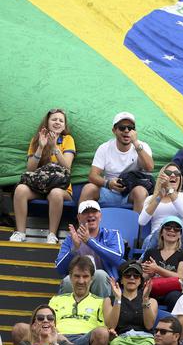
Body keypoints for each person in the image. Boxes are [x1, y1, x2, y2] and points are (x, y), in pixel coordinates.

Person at [13, 256, 109, 345]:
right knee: (19, 329)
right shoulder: (56, 299)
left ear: (91, 279)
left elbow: (104, 328)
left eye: (85, 276)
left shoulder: (101, 301)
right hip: (56, 338)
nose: (81, 281)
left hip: (83, 339)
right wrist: (58, 336)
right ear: (70, 278)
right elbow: (47, 322)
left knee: (102, 333)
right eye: (77, 276)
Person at [10, 108, 76, 244]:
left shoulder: (67, 139)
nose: (57, 122)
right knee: (20, 189)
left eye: (61, 120)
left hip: (61, 187)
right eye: (54, 119)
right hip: (39, 186)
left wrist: (54, 148)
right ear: (47, 122)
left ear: (64, 125)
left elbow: (67, 167)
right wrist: (40, 147)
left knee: (56, 193)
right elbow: (30, 169)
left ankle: (52, 234)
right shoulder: (37, 139)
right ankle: (20, 232)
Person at [79, 111, 154, 212]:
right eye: (122, 128)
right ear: (114, 130)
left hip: (130, 192)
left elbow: (150, 168)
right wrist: (108, 183)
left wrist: (135, 143)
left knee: (140, 191)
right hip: (109, 191)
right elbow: (92, 176)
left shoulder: (141, 146)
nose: (126, 131)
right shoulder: (104, 148)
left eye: (130, 128)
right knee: (88, 188)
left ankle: (138, 228)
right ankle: (81, 226)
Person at [55, 200, 125, 297]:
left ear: (100, 216)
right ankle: (70, 312)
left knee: (100, 275)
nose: (91, 215)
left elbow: (117, 257)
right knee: (67, 281)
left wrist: (90, 241)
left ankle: (102, 311)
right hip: (79, 278)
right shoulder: (71, 238)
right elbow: (60, 269)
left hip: (105, 282)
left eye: (94, 211)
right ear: (79, 218)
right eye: (86, 212)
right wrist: (74, 249)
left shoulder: (112, 234)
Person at [139, 163, 183, 253]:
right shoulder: (151, 199)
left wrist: (169, 189)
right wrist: (159, 197)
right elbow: (142, 221)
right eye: (168, 173)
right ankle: (144, 261)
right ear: (161, 178)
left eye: (177, 173)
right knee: (159, 232)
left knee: (167, 232)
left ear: (180, 179)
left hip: (176, 238)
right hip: (155, 239)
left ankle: (142, 261)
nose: (173, 175)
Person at [140, 215, 183, 309]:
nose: (172, 230)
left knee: (175, 297)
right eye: (168, 227)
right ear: (161, 233)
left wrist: (157, 269)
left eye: (176, 229)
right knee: (138, 294)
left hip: (172, 291)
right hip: (152, 288)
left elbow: (181, 277)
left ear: (180, 235)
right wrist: (150, 274)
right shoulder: (151, 252)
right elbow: (143, 277)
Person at [104, 260, 157, 345]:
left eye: (136, 276)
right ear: (121, 280)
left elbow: (149, 325)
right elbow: (111, 326)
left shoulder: (151, 301)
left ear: (140, 281)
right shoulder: (109, 300)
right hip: (121, 340)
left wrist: (145, 299)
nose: (132, 278)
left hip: (145, 339)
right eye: (127, 275)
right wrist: (118, 299)